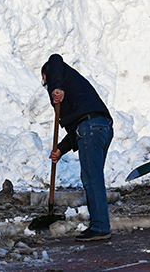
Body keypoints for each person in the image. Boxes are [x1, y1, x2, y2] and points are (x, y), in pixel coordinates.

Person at [42, 54, 114, 241]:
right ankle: (100, 225)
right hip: (101, 127)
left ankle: (100, 227)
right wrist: (61, 149)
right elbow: (76, 129)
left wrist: (55, 86)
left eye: (46, 83)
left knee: (92, 178)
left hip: (90, 128)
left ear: (46, 77)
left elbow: (55, 58)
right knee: (93, 176)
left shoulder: (57, 74)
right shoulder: (76, 92)